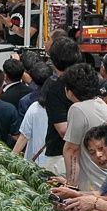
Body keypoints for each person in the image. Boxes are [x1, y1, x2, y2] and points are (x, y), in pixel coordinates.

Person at [61, 63, 107, 193]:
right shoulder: (100, 103)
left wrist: (70, 187)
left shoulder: (78, 109)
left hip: (94, 184)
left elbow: (71, 150)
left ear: (70, 91)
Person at [37, 36, 80, 174]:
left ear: (53, 61)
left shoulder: (55, 88)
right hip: (86, 155)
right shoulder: (87, 81)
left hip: (61, 156)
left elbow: (62, 130)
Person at [13, 96, 49, 164]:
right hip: (56, 163)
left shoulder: (35, 107)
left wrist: (11, 159)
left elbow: (24, 136)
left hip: (33, 163)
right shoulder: (67, 109)